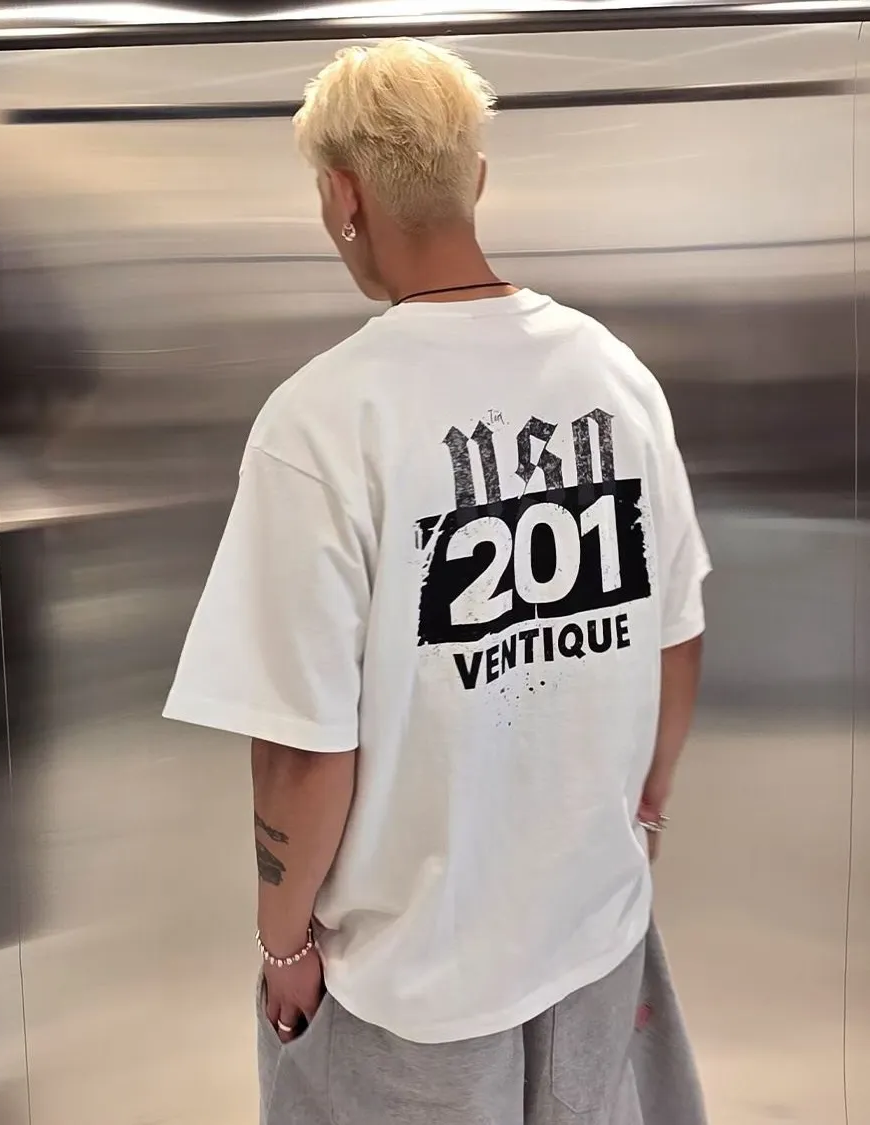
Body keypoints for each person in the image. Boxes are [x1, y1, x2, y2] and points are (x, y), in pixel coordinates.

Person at [164, 38, 710, 1125]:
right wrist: (642, 812)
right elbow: (677, 630)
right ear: (478, 180)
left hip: (409, 991)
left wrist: (285, 945)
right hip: (595, 937)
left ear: (343, 195)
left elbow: (304, 750)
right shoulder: (613, 374)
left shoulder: (322, 422)